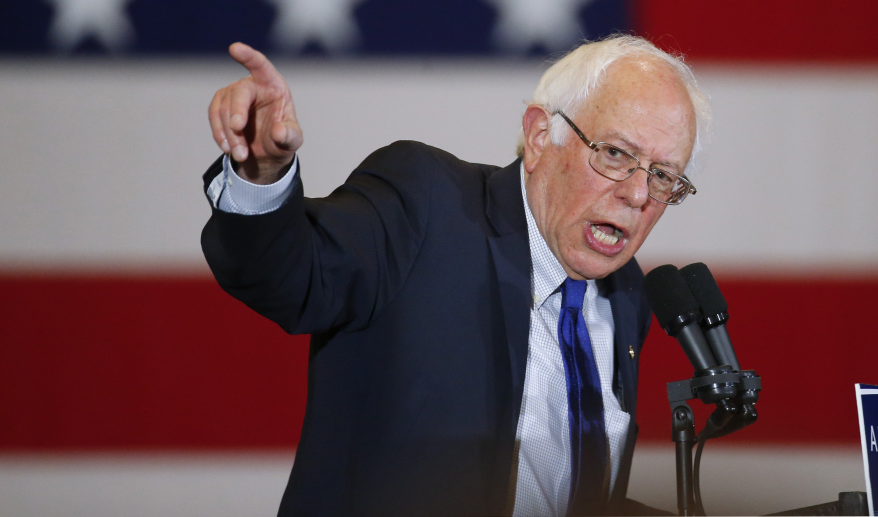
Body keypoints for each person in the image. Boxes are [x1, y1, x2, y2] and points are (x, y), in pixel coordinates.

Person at [201, 35, 710, 516]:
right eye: (616, 154)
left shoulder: (627, 296)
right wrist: (261, 175)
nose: (639, 195)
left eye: (664, 175)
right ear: (539, 136)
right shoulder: (430, 205)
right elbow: (292, 275)